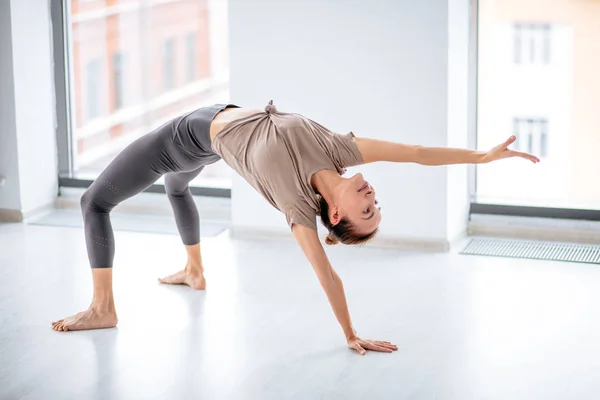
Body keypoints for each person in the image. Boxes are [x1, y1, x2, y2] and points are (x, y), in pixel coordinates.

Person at [51, 101, 539, 355]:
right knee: (177, 190)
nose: (373, 199)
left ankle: (103, 308)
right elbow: (414, 153)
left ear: (335, 217)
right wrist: (483, 156)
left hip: (180, 139)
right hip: (211, 135)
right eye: (377, 205)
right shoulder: (340, 149)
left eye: (368, 213)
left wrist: (351, 333)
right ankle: (194, 271)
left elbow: (327, 274)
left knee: (95, 202)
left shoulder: (297, 208)